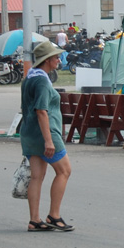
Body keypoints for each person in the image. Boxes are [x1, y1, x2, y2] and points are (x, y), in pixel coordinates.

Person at [21, 40, 73, 232]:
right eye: (56, 57)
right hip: (45, 133)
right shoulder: (42, 81)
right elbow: (41, 110)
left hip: (29, 134)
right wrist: (49, 140)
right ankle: (54, 215)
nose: (59, 60)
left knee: (37, 177)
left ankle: (34, 219)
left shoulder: (29, 78)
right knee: (64, 171)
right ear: (48, 60)